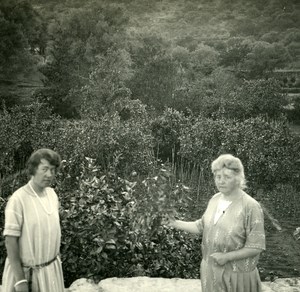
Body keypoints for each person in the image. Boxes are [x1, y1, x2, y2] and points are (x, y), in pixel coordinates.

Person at [166, 154, 266, 292]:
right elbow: (201, 226)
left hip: (237, 277)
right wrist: (174, 223)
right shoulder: (215, 199)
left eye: (227, 177)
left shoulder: (251, 206)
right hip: (211, 273)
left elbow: (256, 246)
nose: (221, 181)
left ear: (238, 179)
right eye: (218, 177)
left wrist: (227, 257)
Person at [2, 149, 65, 292]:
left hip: (50, 274)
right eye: (45, 169)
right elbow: (10, 241)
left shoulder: (52, 195)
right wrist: (20, 281)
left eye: (53, 170)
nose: (50, 174)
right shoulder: (18, 199)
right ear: (33, 169)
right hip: (28, 277)